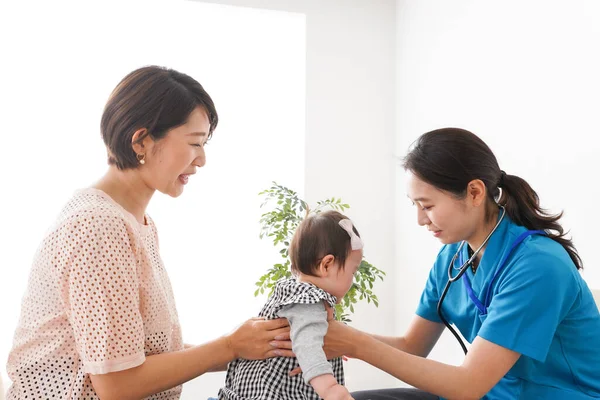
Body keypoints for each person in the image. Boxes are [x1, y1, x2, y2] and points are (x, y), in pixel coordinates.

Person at [5, 66, 293, 400]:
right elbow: (117, 385)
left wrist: (245, 347)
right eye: (195, 143)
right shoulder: (96, 225)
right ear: (141, 140)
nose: (201, 160)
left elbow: (135, 350)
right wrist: (229, 346)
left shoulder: (135, 222)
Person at [301, 128, 600, 399]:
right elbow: (412, 346)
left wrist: (355, 343)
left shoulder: (538, 266)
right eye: (415, 205)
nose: (420, 219)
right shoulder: (452, 257)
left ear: (474, 192)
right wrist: (331, 333)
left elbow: (468, 385)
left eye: (428, 206)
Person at [218, 210, 363, 400]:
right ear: (326, 265)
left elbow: (307, 340)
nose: (352, 280)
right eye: (353, 271)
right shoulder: (309, 301)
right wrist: (331, 389)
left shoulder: (289, 291)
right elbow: (307, 346)